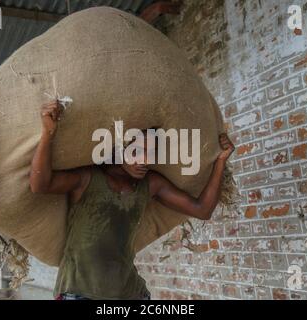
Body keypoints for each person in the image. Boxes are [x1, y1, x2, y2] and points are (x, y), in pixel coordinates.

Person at [30, 100, 235, 300]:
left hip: (130, 293)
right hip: (77, 292)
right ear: (120, 147)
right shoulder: (88, 179)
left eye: (152, 153)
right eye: (138, 151)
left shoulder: (151, 184)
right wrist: (48, 133)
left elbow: (202, 210)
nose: (145, 160)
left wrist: (220, 161)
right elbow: (40, 185)